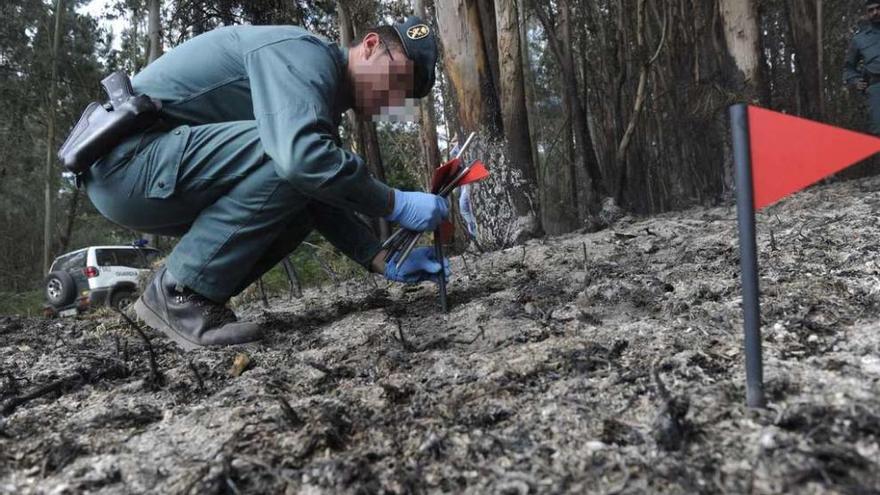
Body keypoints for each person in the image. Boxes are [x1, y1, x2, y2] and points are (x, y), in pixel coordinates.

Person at [81, 17, 451, 350]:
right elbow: (300, 161)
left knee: (303, 187)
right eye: (398, 79)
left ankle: (193, 301)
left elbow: (312, 188)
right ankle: (179, 294)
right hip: (127, 162)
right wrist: (396, 203)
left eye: (405, 95)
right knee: (296, 158)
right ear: (370, 46)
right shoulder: (305, 55)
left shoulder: (317, 101)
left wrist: (380, 257)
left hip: (149, 176)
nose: (395, 99)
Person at [844, 1, 880, 134]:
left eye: (878, 8)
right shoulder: (859, 40)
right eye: (871, 10)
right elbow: (848, 68)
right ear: (867, 13)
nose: (875, 12)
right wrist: (855, 81)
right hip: (877, 89)